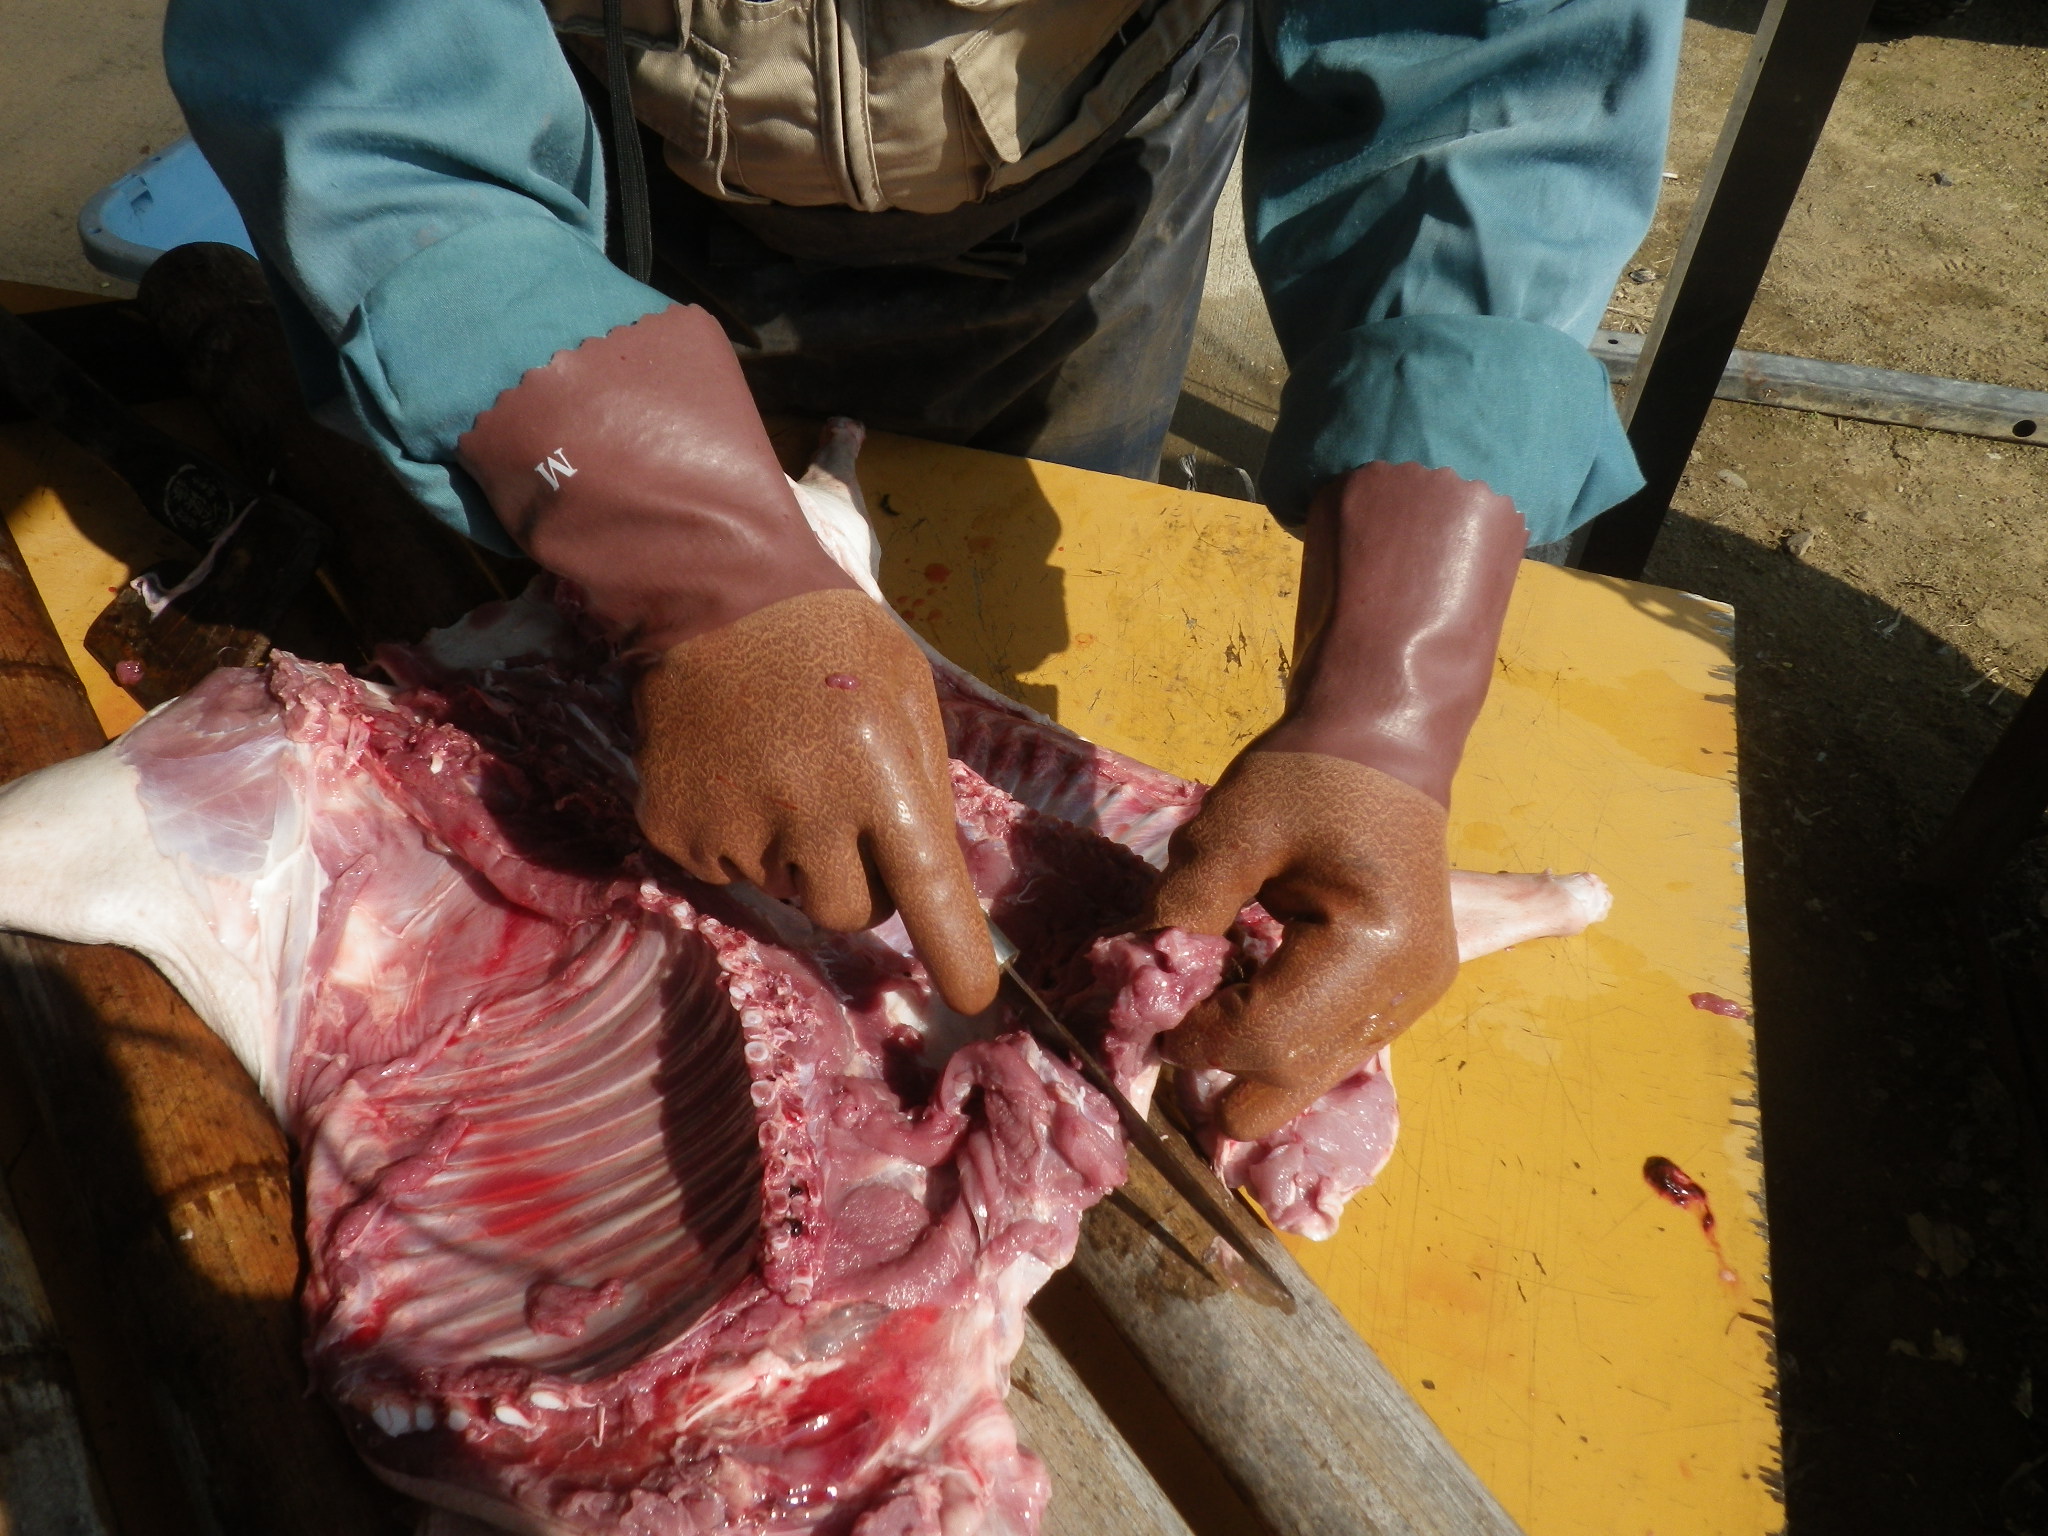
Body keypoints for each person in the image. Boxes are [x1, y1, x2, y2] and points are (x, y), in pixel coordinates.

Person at [164, 0, 1681, 1141]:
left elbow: (1502, 61)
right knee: (554, 662)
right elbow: (348, 57)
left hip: (1080, 169)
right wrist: (668, 543)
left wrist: (1393, 684)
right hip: (567, 160)